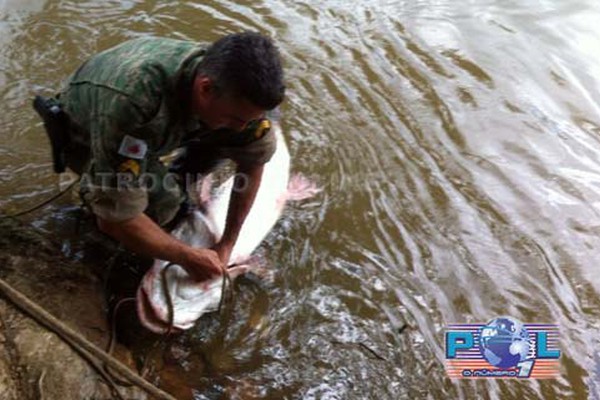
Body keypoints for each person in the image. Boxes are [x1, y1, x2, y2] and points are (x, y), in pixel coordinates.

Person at [41, 32, 285, 283]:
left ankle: (168, 187)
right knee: (161, 206)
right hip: (90, 127)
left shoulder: (228, 92)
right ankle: (92, 202)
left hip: (178, 120)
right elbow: (115, 219)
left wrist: (227, 243)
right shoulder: (135, 106)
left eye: (249, 120)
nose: (239, 127)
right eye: (235, 119)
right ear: (205, 89)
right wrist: (186, 256)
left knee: (220, 150)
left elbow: (254, 160)